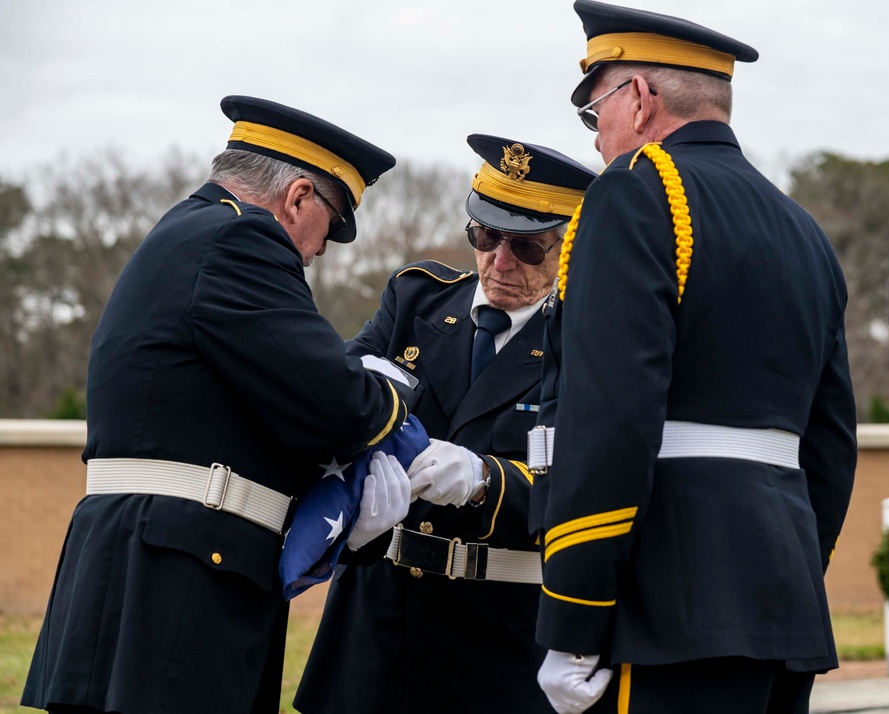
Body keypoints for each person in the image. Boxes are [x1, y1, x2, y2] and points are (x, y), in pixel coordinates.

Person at [21, 95, 415, 714]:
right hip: (179, 581)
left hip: (143, 566)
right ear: (299, 196)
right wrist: (392, 384)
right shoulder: (242, 241)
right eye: (330, 227)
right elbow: (343, 407)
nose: (318, 251)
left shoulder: (185, 233)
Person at [530, 2, 858, 713]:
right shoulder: (801, 228)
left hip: (662, 608)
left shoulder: (633, 190)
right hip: (780, 600)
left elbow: (610, 416)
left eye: (596, 115)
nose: (596, 143)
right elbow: (829, 445)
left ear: (640, 100)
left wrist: (575, 615)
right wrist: (789, 568)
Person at [293, 134, 597, 714]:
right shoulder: (416, 301)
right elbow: (338, 402)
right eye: (485, 236)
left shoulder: (588, 344)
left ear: (571, 247)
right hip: (378, 628)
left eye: (528, 248)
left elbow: (585, 481)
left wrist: (488, 479)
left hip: (500, 637)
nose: (499, 262)